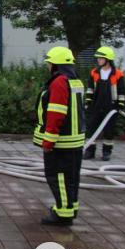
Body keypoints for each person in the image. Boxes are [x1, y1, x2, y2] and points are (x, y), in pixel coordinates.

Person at [33, 46, 86, 226]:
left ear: (56, 64)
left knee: (59, 178)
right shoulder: (75, 81)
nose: (48, 66)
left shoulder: (59, 82)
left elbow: (56, 113)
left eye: (49, 63)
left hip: (61, 142)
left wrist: (48, 140)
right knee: (71, 178)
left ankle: (63, 214)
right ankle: (70, 208)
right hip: (75, 141)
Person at [83, 46, 125, 161]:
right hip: (96, 106)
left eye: (101, 58)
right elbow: (90, 89)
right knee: (91, 128)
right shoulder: (94, 73)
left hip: (111, 107)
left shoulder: (117, 74)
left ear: (108, 59)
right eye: (98, 58)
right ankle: (89, 151)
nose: (98, 60)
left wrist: (120, 105)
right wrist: (88, 101)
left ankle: (106, 152)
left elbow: (121, 91)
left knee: (109, 130)